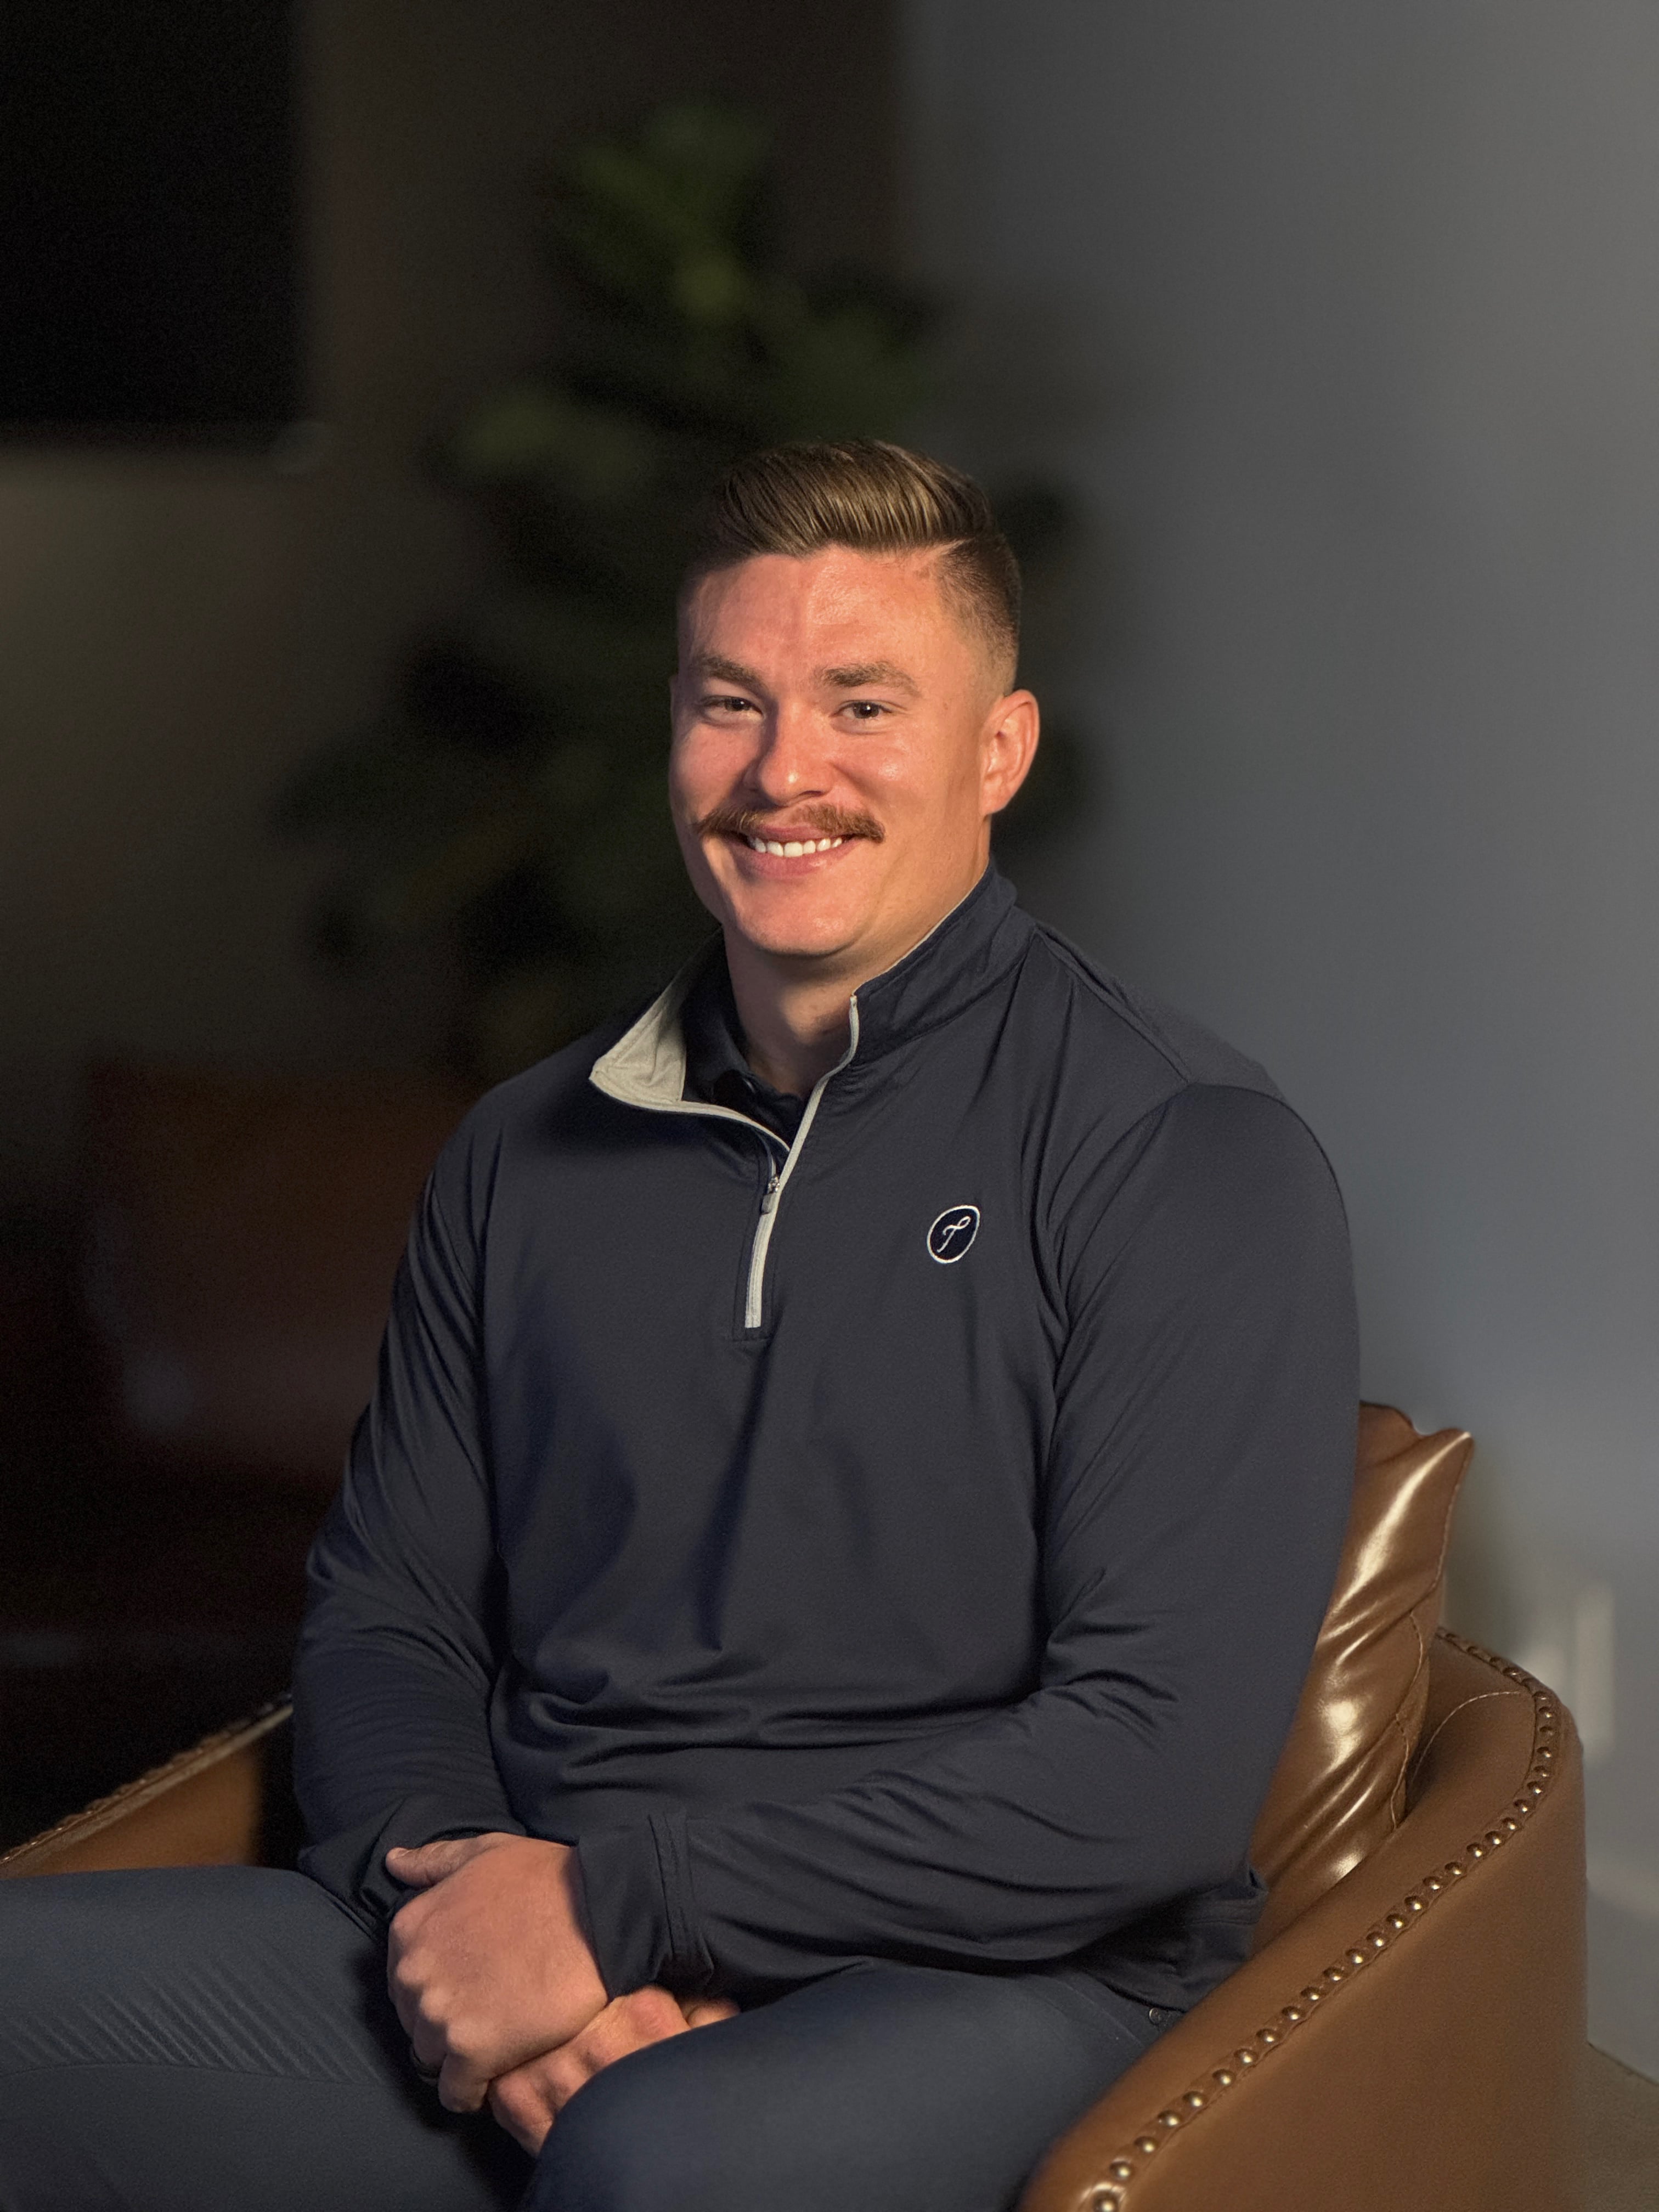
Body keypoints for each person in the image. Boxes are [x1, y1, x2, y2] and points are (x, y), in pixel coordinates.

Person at [0, 441, 1358, 2212]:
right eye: (733, 703)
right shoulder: (522, 1153)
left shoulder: (1185, 1152)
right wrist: (475, 1915)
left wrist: (614, 1913)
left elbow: (1147, 1771)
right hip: (530, 1927)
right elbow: (394, 1611)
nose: (784, 770)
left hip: (988, 1977)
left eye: (863, 704)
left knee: (661, 2158)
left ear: (997, 750)